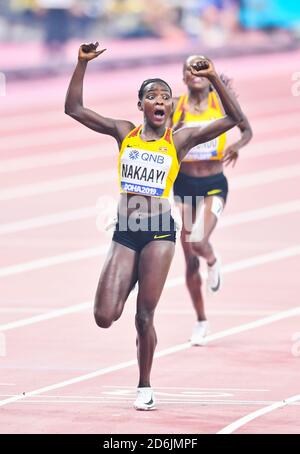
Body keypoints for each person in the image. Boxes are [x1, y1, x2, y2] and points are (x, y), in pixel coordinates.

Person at [64, 43, 243, 410]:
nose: (160, 101)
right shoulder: (124, 132)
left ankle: (144, 386)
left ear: (169, 106)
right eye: (152, 96)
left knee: (144, 316)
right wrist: (81, 64)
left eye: (165, 96)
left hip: (160, 233)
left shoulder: (179, 140)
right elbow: (74, 109)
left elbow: (233, 120)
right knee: (104, 316)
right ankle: (126, 280)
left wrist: (212, 78)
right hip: (125, 232)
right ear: (141, 105)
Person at [171, 55, 253, 346]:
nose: (194, 73)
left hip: (213, 184)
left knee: (198, 241)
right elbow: (161, 137)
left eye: (199, 68)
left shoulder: (222, 103)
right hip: (183, 185)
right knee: (189, 259)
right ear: (182, 77)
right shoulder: (176, 107)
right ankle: (201, 320)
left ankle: (214, 259)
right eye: (188, 69)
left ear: (209, 74)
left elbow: (246, 129)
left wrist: (236, 145)